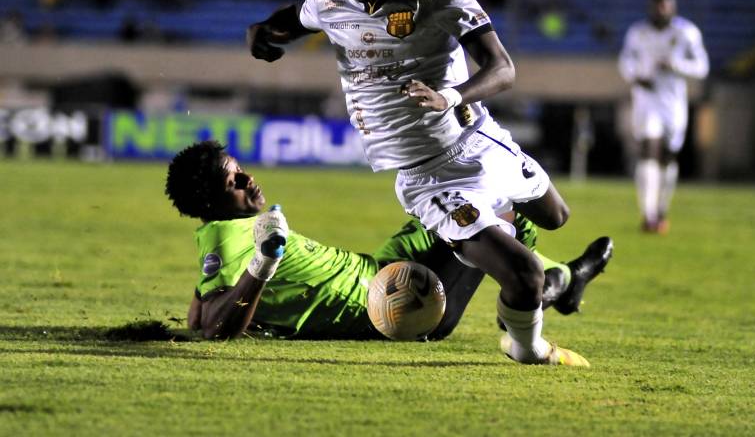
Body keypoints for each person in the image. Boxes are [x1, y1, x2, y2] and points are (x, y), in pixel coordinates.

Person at [246, 0, 612, 365]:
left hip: (478, 139)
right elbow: (293, 18)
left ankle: (532, 267)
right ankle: (529, 348)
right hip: (427, 176)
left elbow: (502, 69)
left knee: (555, 216)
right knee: (522, 275)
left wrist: (452, 97)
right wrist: (262, 31)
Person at [166, 140, 612, 364]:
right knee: (491, 215)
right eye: (233, 182)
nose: (248, 180)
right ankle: (546, 288)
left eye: (240, 171)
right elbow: (213, 329)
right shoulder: (230, 237)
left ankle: (555, 283)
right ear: (209, 203)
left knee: (463, 204)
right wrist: (263, 265)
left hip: (382, 267)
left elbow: (197, 315)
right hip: (402, 305)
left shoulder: (224, 232)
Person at [618, 0, 709, 234]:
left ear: (673, 6)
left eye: (665, 5)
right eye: (657, 5)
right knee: (649, 150)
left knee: (668, 157)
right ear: (651, 6)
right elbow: (625, 61)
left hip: (673, 103)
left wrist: (676, 65)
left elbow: (701, 67)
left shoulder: (686, 32)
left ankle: (660, 210)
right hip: (647, 101)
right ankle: (647, 215)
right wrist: (636, 76)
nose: (661, 10)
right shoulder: (638, 32)